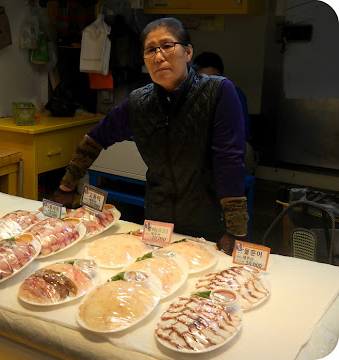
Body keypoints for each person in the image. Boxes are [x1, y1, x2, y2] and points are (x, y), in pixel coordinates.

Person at [52, 17, 248, 255]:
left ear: (188, 52)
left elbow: (229, 162)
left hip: (208, 222)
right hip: (158, 221)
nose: (159, 56)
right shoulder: (138, 102)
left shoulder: (218, 92)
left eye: (167, 46)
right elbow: (95, 139)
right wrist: (66, 185)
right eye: (150, 50)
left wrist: (236, 229)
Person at [192, 51, 257, 174]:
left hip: (227, 147)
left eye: (214, 77)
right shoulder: (191, 96)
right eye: (203, 78)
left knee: (245, 150)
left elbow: (240, 132)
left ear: (222, 76)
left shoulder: (234, 94)